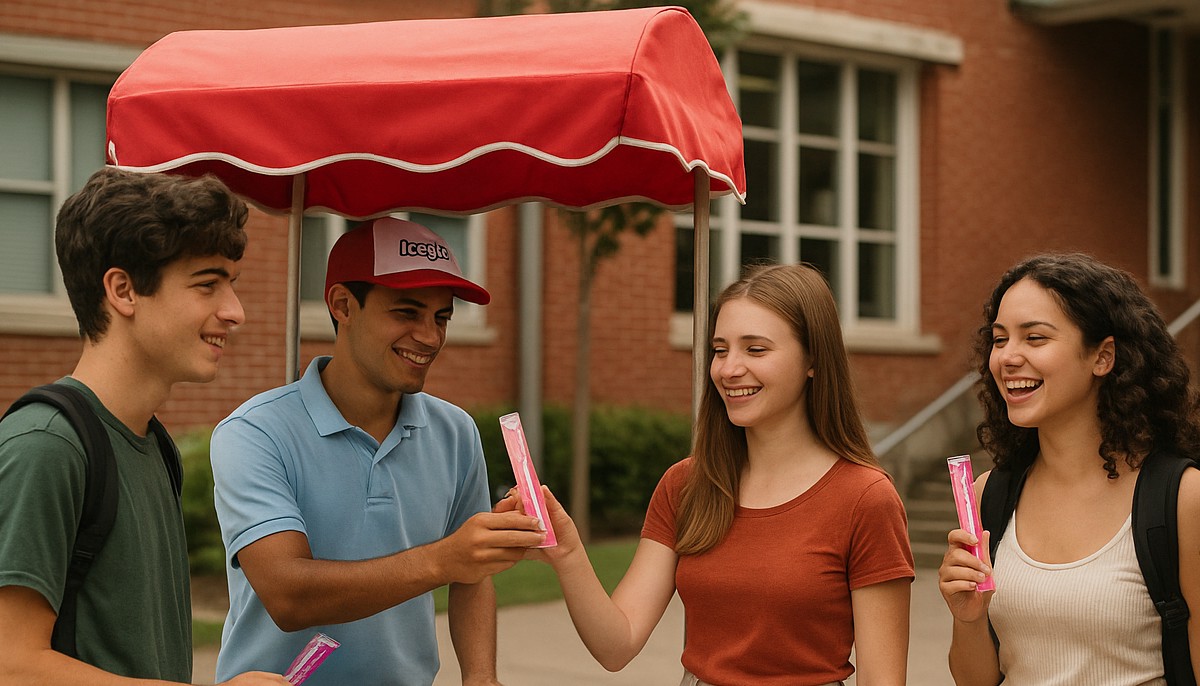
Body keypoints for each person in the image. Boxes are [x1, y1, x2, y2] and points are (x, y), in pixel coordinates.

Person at [503, 263, 914, 685]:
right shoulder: (686, 484)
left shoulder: (865, 498)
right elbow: (616, 644)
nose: (728, 369)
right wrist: (568, 553)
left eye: (755, 349)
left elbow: (882, 680)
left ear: (813, 359)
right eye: (720, 349)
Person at [209, 217, 546, 686]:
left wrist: (481, 678)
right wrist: (443, 558)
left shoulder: (456, 431)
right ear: (343, 305)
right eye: (407, 313)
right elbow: (289, 597)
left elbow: (471, 577)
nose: (430, 337)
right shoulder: (255, 433)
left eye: (441, 317)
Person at [0, 167, 288, 685]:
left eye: (233, 285)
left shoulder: (154, 445)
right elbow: (11, 665)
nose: (236, 312)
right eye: (207, 285)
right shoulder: (47, 447)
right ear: (123, 290)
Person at [938, 252, 1200, 684]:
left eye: (1035, 338)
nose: (1007, 357)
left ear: (1103, 357)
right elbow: (975, 681)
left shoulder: (1181, 498)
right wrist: (967, 618)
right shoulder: (991, 494)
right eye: (999, 339)